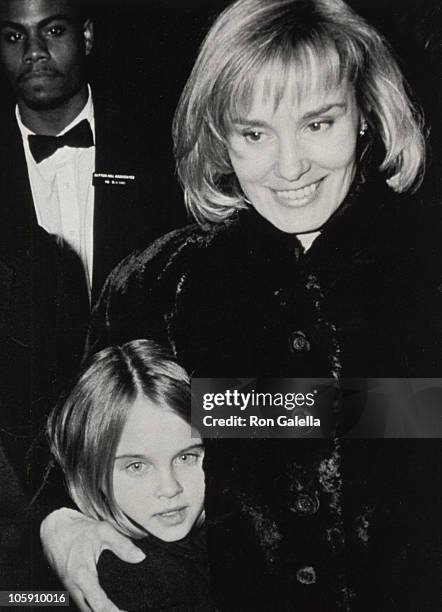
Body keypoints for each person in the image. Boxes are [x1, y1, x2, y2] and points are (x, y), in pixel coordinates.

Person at [41, 0, 442, 610]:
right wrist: (58, 526)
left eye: (318, 123)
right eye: (254, 133)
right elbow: (67, 449)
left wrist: (230, 408)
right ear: (219, 138)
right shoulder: (158, 282)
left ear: (364, 114)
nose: (290, 167)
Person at [0, 0, 186, 305]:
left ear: (86, 37)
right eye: (14, 37)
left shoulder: (160, 149)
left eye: (54, 30)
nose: (34, 51)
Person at [48, 339, 209, 611]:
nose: (169, 488)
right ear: (92, 473)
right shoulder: (126, 581)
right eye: (136, 466)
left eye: (186, 457)